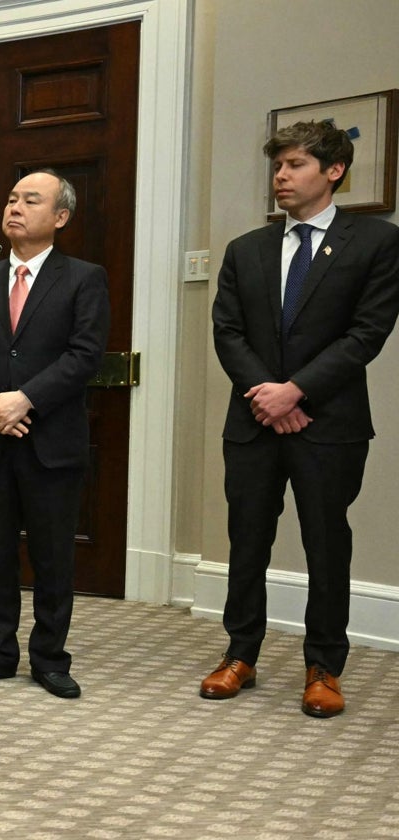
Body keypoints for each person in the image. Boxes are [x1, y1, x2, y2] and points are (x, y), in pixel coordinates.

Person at [203, 120, 399, 718]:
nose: (280, 177)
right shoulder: (247, 249)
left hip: (330, 423)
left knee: (325, 541)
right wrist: (268, 394)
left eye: (294, 165)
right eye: (278, 166)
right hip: (254, 420)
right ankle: (241, 654)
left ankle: (323, 666)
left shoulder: (375, 243)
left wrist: (296, 392)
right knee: (247, 541)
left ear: (333, 171)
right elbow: (228, 332)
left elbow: (366, 334)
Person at [0, 170, 109, 698]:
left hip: (50, 442)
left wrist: (25, 398)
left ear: (59, 217)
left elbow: (85, 355)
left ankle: (50, 658)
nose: (15, 206)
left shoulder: (84, 278)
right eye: (12, 198)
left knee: (53, 556)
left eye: (30, 200)